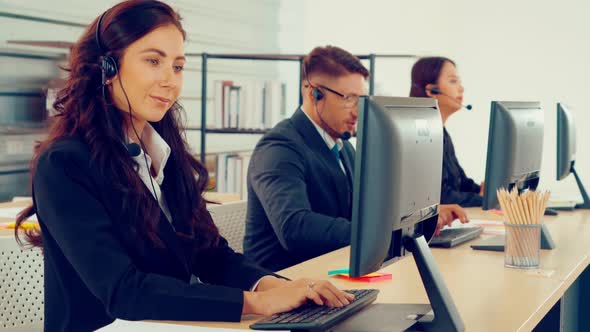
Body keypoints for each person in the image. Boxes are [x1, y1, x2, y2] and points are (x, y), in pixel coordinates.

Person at [14, 2, 352, 331]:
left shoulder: (161, 153)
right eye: (153, 61)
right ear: (107, 68)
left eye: (177, 66)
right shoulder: (63, 164)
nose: (170, 80)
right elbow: (124, 292)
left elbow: (211, 254)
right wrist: (256, 304)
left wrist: (277, 287)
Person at [244, 47, 467, 272]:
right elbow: (295, 228)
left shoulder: (343, 148)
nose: (357, 111)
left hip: (333, 273)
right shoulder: (279, 148)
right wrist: (383, 232)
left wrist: (420, 217)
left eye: (361, 100)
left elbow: (366, 209)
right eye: (349, 99)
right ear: (313, 93)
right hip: (287, 283)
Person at [410, 56, 484, 208]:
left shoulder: (440, 131)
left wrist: (482, 191)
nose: (461, 88)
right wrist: (483, 200)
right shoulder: (421, 135)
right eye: (453, 81)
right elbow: (441, 196)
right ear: (431, 90)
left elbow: (460, 182)